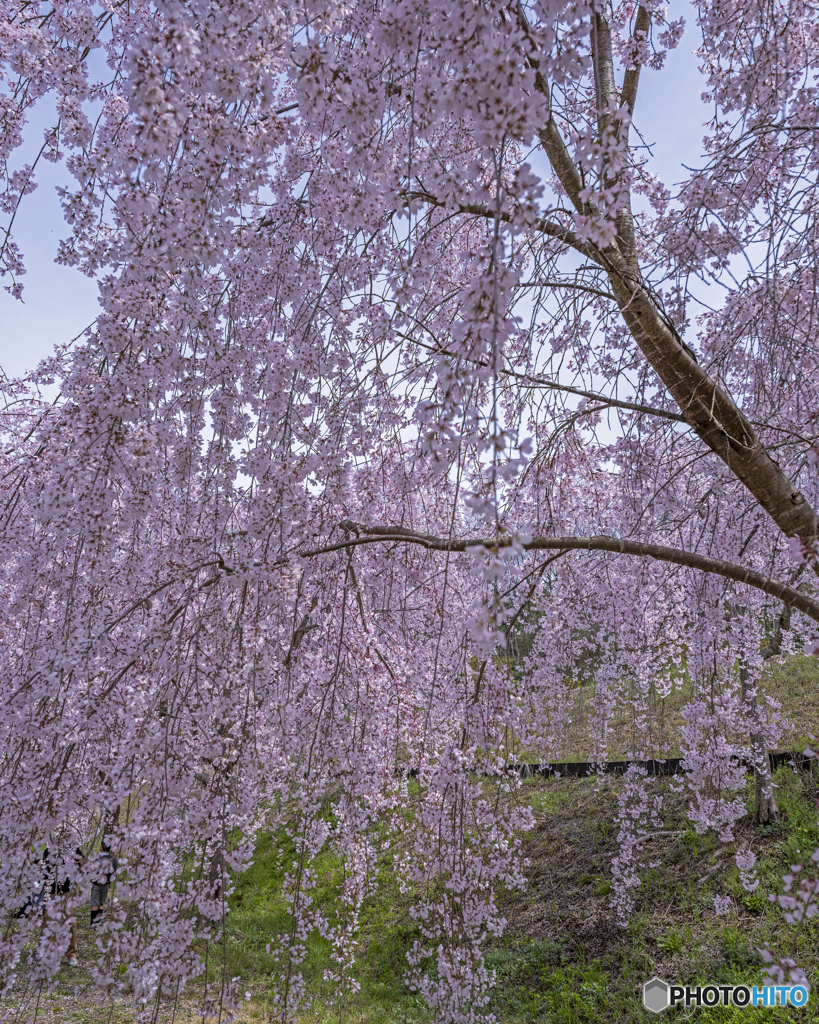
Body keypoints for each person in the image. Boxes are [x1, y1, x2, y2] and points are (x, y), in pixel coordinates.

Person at [90, 839, 118, 928]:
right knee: (101, 903)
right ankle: (98, 922)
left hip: (97, 883)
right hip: (107, 883)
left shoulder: (98, 858)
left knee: (95, 903)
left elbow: (92, 870)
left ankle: (93, 923)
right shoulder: (113, 859)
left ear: (102, 846)